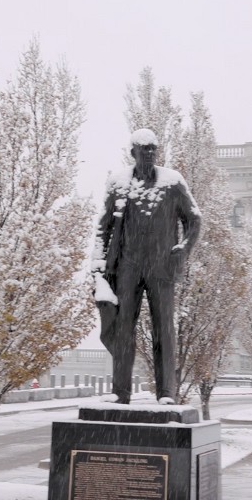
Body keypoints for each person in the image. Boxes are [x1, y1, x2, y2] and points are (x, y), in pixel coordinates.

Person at [94, 130, 201, 404]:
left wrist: (184, 248)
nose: (150, 154)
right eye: (144, 149)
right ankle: (121, 392)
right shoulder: (118, 183)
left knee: (163, 330)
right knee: (122, 331)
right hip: (126, 268)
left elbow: (194, 219)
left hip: (161, 267)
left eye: (153, 149)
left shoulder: (172, 182)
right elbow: (102, 229)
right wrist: (98, 267)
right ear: (133, 152)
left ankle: (166, 393)